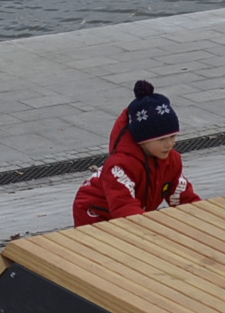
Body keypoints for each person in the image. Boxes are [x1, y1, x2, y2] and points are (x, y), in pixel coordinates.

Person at [72, 81, 202, 226]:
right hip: (95, 214)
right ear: (142, 140)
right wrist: (152, 227)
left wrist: (202, 215)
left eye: (173, 136)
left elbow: (181, 196)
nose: (169, 144)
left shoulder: (172, 160)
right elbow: (124, 207)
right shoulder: (119, 166)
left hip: (134, 212)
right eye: (161, 139)